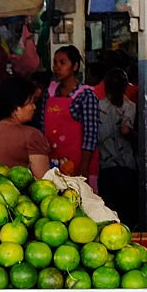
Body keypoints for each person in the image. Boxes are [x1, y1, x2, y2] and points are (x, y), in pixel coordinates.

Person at [35, 45, 100, 187]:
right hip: (53, 162)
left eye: (62, 63)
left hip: (79, 163)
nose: (57, 67)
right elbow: (42, 128)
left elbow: (91, 136)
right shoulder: (49, 93)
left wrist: (83, 170)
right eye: (55, 62)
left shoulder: (86, 95)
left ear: (75, 66)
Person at [0, 76, 51, 179]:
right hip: (20, 194)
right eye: (31, 103)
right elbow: (44, 180)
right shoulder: (32, 136)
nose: (34, 107)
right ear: (16, 109)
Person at [96, 68, 139, 228]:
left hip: (114, 165)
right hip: (118, 165)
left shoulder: (102, 106)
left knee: (115, 208)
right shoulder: (129, 106)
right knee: (122, 208)